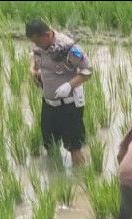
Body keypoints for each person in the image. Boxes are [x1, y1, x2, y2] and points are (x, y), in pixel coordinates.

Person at [26, 19, 92, 167]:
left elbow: (87, 70)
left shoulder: (68, 47)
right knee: (50, 145)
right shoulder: (39, 45)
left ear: (47, 35)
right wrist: (33, 71)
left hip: (69, 105)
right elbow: (34, 56)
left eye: (37, 41)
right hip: (48, 104)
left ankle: (80, 180)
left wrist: (69, 85)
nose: (36, 45)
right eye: (33, 42)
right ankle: (57, 180)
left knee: (74, 146)